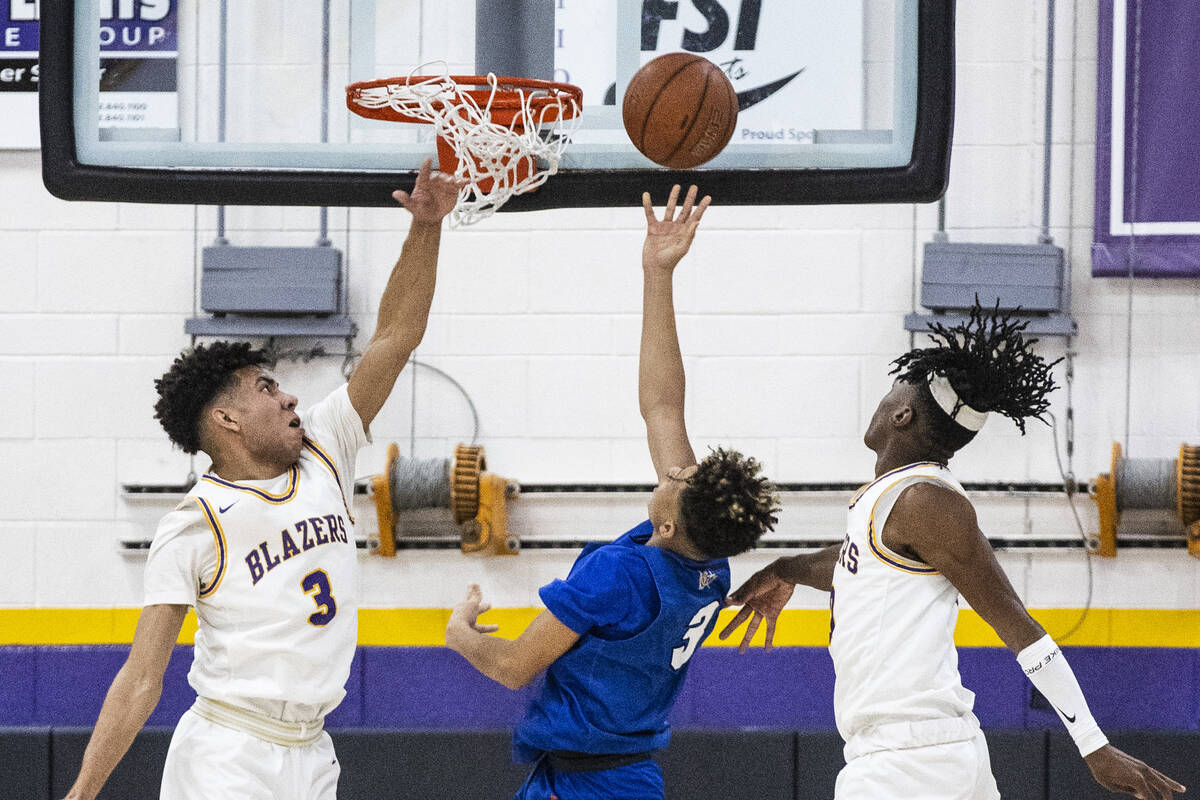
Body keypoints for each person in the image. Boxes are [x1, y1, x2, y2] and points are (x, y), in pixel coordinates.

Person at [60, 160, 467, 800]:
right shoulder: (194, 524)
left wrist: (426, 227)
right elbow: (143, 676)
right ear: (225, 418)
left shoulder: (326, 448)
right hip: (228, 752)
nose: (288, 399)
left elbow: (395, 335)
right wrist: (82, 793)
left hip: (312, 751)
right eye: (266, 388)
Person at [720, 304, 1187, 800]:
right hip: (925, 758)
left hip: (907, 766)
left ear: (903, 415)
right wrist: (788, 569)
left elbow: (1017, 623)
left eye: (893, 389)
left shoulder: (927, 502)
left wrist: (1093, 744)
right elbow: (858, 562)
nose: (883, 396)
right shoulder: (890, 500)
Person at [444, 185, 780, 800]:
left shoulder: (622, 574)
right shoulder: (709, 561)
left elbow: (516, 666)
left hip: (585, 786)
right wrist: (658, 273)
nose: (675, 470)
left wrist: (459, 631)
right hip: (625, 775)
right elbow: (663, 406)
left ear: (673, 524)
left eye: (678, 480)